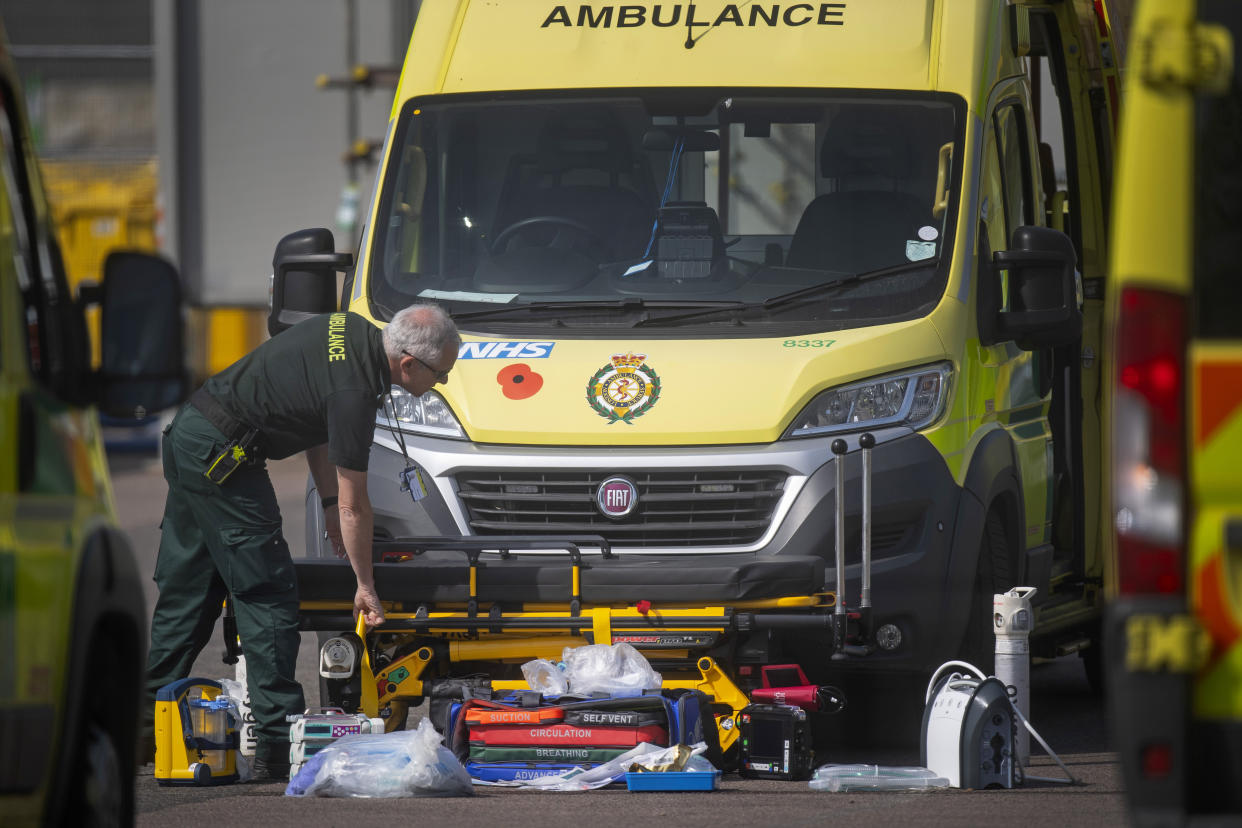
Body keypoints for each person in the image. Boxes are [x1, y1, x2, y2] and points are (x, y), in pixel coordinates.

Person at [141, 303, 460, 781]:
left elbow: (315, 421)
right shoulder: (356, 391)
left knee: (191, 588)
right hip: (224, 457)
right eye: (441, 375)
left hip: (192, 434)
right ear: (409, 364)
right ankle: (275, 741)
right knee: (266, 591)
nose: (442, 384)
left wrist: (328, 503)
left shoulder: (349, 332)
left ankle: (145, 727)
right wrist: (364, 584)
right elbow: (359, 505)